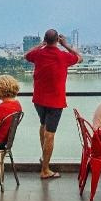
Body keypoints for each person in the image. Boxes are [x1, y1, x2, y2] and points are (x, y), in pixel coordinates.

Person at [24, 29, 82, 179]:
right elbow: (80, 58)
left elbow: (26, 55)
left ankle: (44, 158)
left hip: (39, 99)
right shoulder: (63, 56)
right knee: (50, 134)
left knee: (43, 125)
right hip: (55, 101)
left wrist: (40, 45)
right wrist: (66, 45)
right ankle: (45, 170)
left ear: (45, 40)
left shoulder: (38, 54)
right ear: (57, 40)